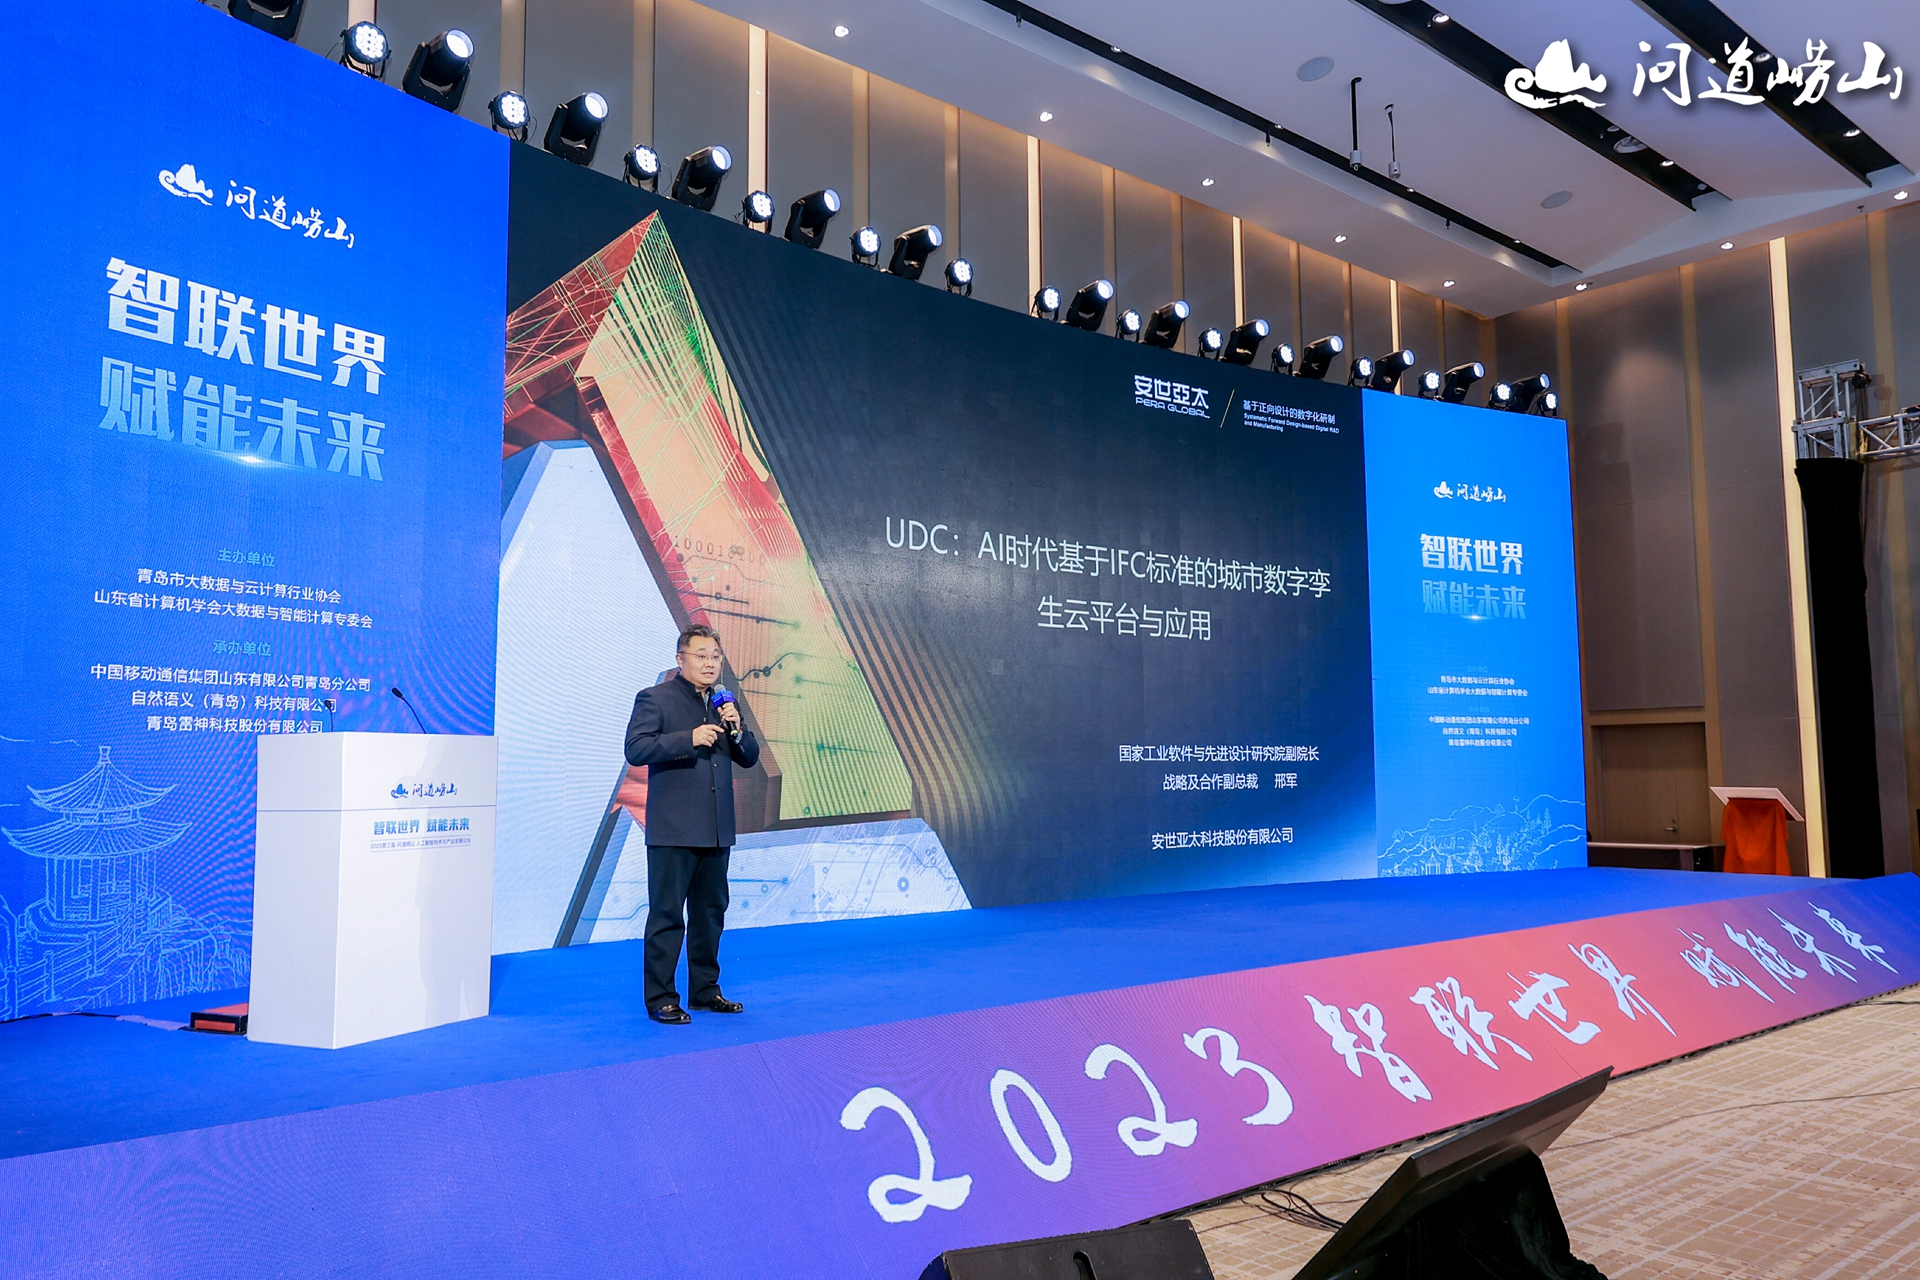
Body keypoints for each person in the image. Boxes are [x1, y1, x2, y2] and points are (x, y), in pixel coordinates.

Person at [624, 624, 761, 1024]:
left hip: (716, 829)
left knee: (710, 914)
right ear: (680, 659)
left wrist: (736, 728)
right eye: (701, 656)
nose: (710, 663)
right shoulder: (655, 698)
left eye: (715, 656)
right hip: (673, 830)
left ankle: (705, 991)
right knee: (667, 915)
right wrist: (689, 738)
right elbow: (636, 748)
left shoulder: (724, 703)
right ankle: (662, 998)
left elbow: (749, 757)